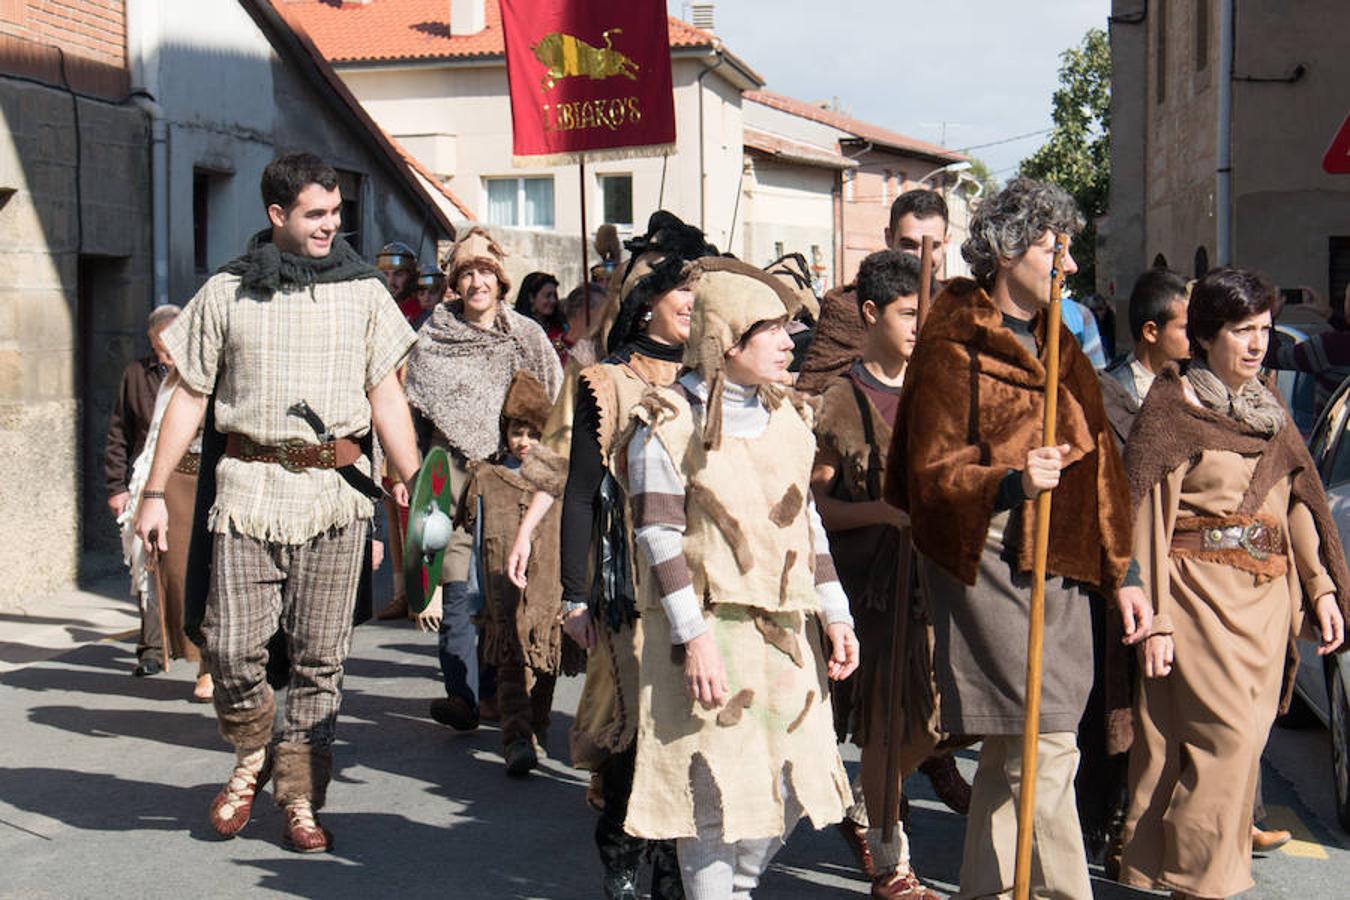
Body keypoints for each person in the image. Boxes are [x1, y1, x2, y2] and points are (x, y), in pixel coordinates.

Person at [135, 152, 421, 852]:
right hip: (246, 491)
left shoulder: (364, 293)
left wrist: (415, 479)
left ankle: (299, 796)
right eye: (316, 214)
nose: (331, 226)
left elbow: (386, 394)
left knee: (322, 660)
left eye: (336, 213)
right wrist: (150, 491)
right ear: (276, 216)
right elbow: (191, 397)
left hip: (336, 495)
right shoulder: (226, 292)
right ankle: (254, 752)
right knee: (229, 648)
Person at [886, 177, 1151, 899]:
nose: (1065, 263)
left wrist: (1123, 576)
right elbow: (928, 474)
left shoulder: (1061, 342)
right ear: (1006, 253)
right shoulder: (953, 346)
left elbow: (1102, 469)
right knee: (1049, 743)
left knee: (1016, 751)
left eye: (1068, 249)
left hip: (1060, 567)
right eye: (1049, 247)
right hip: (987, 564)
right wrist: (1008, 479)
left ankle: (986, 892)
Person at [625, 256, 860, 899]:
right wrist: (693, 636)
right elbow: (657, 533)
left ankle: (738, 889)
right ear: (728, 339)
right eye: (772, 329)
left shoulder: (789, 417)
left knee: (786, 785)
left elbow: (805, 525)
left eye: (790, 328)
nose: (790, 342)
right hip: (708, 628)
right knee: (713, 793)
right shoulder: (668, 421)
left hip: (784, 630)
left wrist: (836, 612)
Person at [1118, 267, 1348, 900]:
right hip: (1195, 600)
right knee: (1224, 744)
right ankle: (1204, 886)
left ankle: (1193, 875)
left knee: (1240, 753)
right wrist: (1153, 619)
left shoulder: (1270, 406)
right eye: (1242, 330)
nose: (1256, 344)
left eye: (1265, 330)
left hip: (1266, 609)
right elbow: (1143, 518)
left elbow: (1298, 501)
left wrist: (1322, 586)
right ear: (1206, 336)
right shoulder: (1172, 408)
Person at [507, 210, 715, 900]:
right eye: (681, 290)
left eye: (699, 291)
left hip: (706, 574)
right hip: (629, 579)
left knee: (696, 728)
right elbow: (579, 491)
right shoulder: (605, 382)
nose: (694, 303)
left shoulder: (717, 381)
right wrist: (572, 595)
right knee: (639, 727)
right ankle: (626, 856)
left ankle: (679, 865)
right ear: (646, 301)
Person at [810, 250, 942, 899]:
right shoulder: (843, 397)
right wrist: (882, 512)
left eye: (925, 312)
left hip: (932, 589)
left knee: (930, 722)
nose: (920, 324)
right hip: (868, 590)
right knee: (883, 724)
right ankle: (894, 865)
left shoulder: (936, 389)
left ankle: (863, 803)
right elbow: (817, 507)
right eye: (907, 312)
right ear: (871, 313)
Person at [403, 227, 562, 732]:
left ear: (501, 282)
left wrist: (541, 463)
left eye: (485, 274)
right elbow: (411, 413)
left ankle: (498, 692)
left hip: (509, 477)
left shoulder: (527, 336)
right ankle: (462, 696)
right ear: (455, 282)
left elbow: (555, 408)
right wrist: (406, 471)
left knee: (498, 591)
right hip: (447, 474)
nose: (477, 283)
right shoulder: (432, 336)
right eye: (467, 274)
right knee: (452, 591)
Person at [460, 370, 577, 776]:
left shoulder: (561, 481)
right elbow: (476, 540)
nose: (522, 441)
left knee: (544, 664)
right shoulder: (489, 477)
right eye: (515, 431)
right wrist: (476, 596)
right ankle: (515, 737)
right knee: (511, 662)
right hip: (502, 588)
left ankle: (537, 728)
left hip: (547, 590)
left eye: (531, 432)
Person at [796, 189, 948, 394]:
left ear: (946, 243)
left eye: (933, 246)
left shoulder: (956, 305)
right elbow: (816, 393)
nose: (920, 256)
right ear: (889, 237)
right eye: (908, 244)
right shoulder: (848, 304)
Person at [107, 305, 176, 677]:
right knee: (144, 560)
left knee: (180, 564)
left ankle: (192, 644)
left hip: (185, 478)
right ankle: (151, 648)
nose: (167, 357)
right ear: (151, 342)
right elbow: (118, 432)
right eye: (161, 349)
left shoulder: (195, 377)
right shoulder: (136, 374)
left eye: (172, 348)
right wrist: (116, 487)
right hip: (143, 478)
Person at [1099, 268, 1191, 447]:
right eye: (1186, 329)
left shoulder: (1197, 382)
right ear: (1151, 332)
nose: (1196, 336)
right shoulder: (1110, 395)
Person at [514, 271, 565, 346]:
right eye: (548, 296)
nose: (553, 300)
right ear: (531, 297)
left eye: (555, 295)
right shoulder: (516, 327)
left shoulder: (560, 327)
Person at [376, 240, 421, 323]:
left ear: (411, 277)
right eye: (385, 274)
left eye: (398, 274)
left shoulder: (422, 314)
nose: (390, 282)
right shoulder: (373, 309)